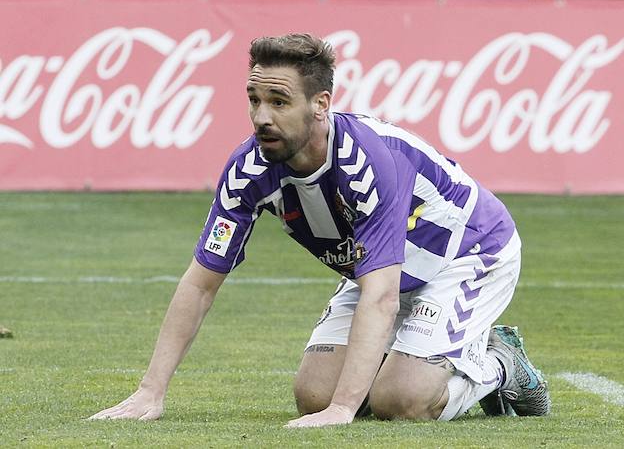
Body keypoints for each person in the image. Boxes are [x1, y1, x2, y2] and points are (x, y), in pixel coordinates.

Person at [91, 33, 550, 428]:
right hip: (383, 271)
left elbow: (382, 298)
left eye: (278, 102)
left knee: (401, 401)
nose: (261, 117)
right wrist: (150, 393)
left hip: (470, 253)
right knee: (313, 396)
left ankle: (501, 363)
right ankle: (425, 359)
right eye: (254, 99)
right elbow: (200, 283)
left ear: (320, 105)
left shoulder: (368, 163)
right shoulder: (248, 170)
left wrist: (345, 408)